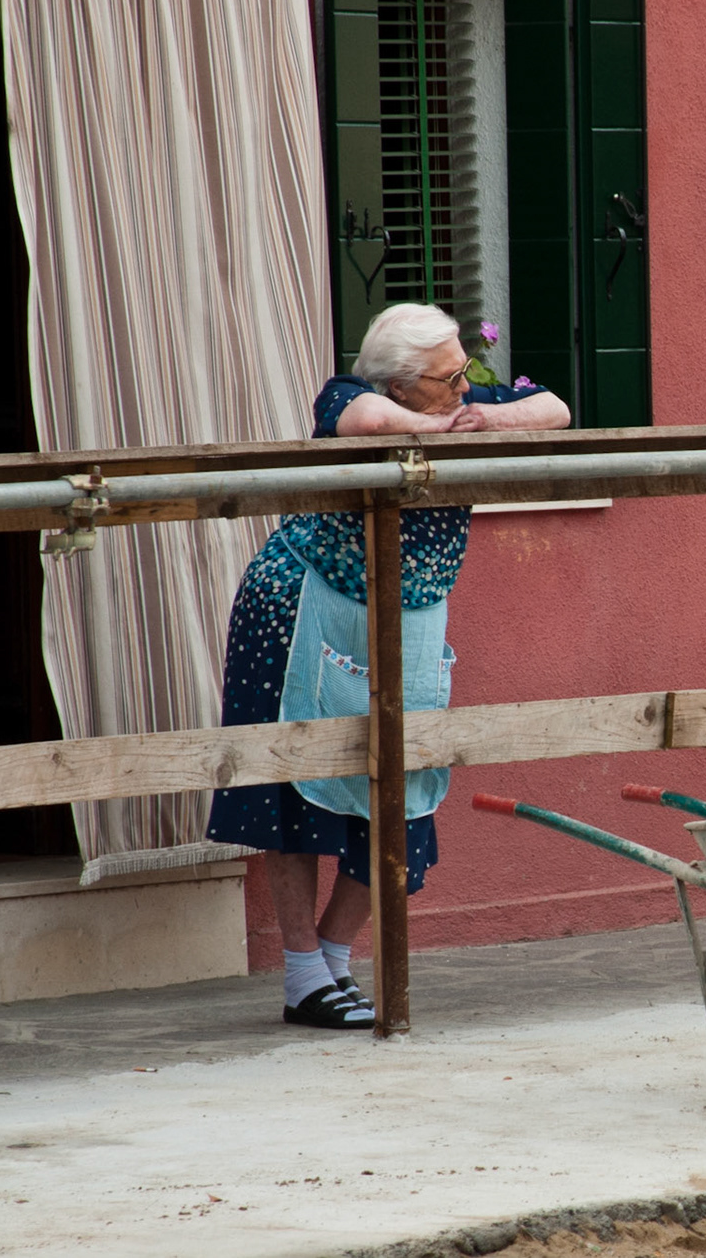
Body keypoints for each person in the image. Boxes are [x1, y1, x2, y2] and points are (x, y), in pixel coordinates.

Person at [206, 303, 569, 1028]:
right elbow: (368, 424)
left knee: (402, 791)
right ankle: (303, 975)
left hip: (405, 613)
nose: (463, 388)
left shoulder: (469, 401)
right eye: (445, 381)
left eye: (465, 372)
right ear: (400, 386)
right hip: (302, 603)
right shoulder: (347, 397)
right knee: (295, 787)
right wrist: (439, 433)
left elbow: (555, 408)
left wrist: (484, 420)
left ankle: (332, 963)